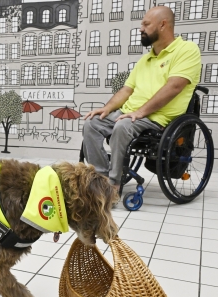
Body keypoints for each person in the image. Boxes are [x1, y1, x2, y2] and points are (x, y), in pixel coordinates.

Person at [82, 6, 201, 192]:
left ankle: (113, 184)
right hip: (130, 114)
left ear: (163, 25)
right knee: (92, 123)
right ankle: (100, 179)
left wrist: (139, 112)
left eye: (146, 24)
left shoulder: (187, 50)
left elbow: (175, 86)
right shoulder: (145, 60)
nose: (141, 28)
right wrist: (106, 109)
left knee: (123, 126)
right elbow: (127, 90)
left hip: (158, 119)